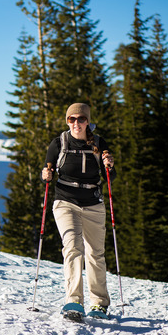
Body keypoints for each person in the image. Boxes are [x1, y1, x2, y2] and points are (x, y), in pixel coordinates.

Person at [41, 103, 116, 320]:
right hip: (66, 202)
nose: (76, 123)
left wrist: (110, 166)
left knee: (95, 253)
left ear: (88, 121)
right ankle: (73, 301)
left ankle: (99, 304)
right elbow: (48, 171)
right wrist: (45, 176)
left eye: (80, 119)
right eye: (71, 119)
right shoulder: (59, 143)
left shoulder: (99, 143)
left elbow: (110, 178)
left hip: (93, 203)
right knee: (73, 246)